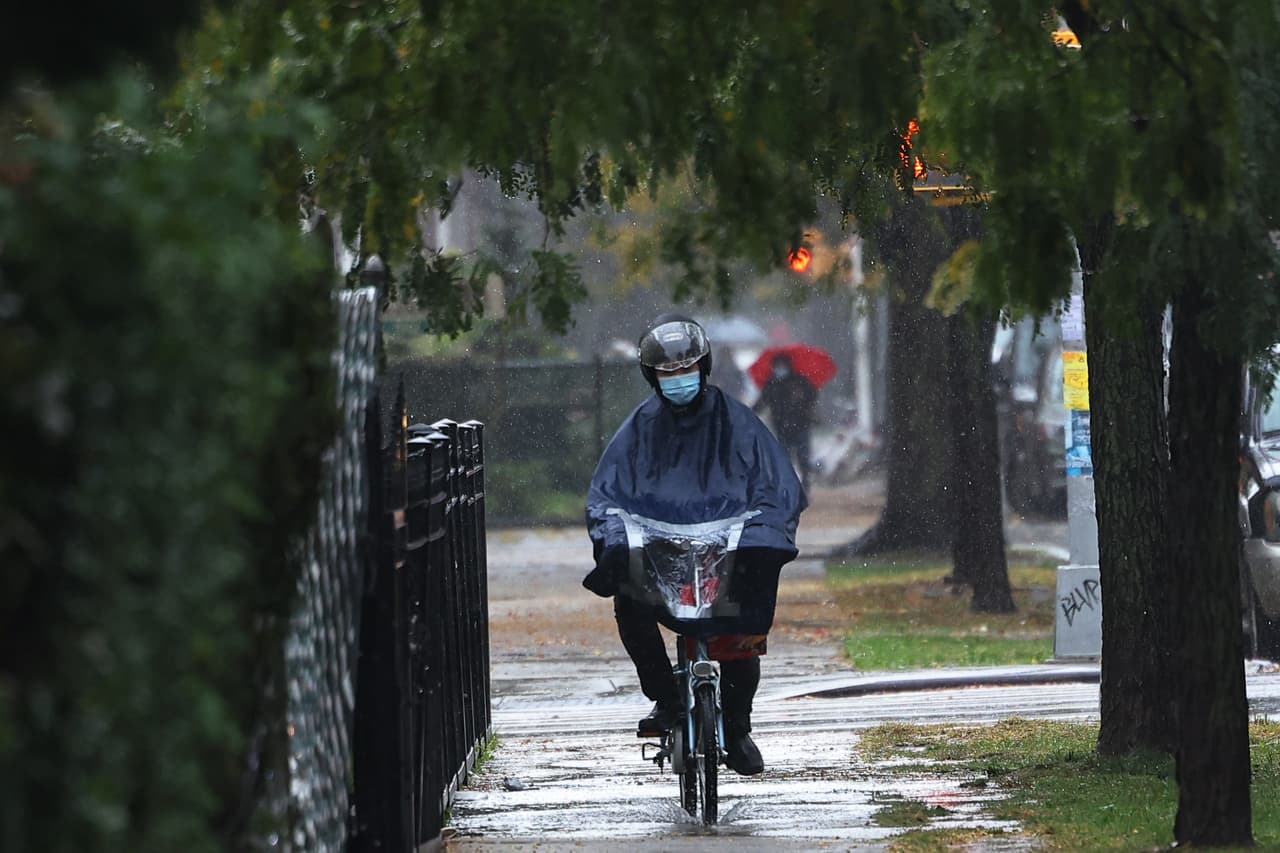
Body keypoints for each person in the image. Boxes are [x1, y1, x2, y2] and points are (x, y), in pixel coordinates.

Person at [584, 314, 806, 776]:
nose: (678, 380)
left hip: (725, 547)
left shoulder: (736, 422)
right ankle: (665, 698)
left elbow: (772, 483)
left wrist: (762, 527)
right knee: (631, 602)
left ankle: (738, 726)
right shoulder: (639, 429)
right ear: (653, 377)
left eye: (686, 370)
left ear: (703, 368)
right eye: (668, 373)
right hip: (659, 547)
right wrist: (618, 532)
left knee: (740, 638)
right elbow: (608, 493)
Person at [753, 353, 818, 488]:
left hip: (801, 423)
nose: (780, 368)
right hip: (781, 425)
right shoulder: (771, 383)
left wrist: (801, 398)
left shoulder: (799, 381)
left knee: (803, 455)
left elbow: (812, 395)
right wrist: (750, 413)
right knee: (784, 456)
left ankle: (805, 480)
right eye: (777, 366)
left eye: (782, 365)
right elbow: (762, 401)